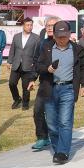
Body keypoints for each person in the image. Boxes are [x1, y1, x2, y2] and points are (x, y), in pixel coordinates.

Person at [34, 20, 84, 164]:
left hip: (68, 89)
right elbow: (38, 65)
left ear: (69, 34)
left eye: (65, 36)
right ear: (55, 36)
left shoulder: (77, 49)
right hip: (50, 88)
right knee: (52, 123)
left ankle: (62, 152)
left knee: (65, 121)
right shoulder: (46, 47)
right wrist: (47, 69)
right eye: (59, 37)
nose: (62, 39)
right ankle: (57, 148)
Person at [30, 16, 59, 152]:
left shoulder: (65, 43)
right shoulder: (42, 44)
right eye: (47, 25)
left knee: (56, 113)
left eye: (52, 25)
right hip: (45, 82)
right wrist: (32, 79)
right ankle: (42, 137)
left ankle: (59, 138)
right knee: (38, 110)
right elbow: (36, 62)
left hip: (60, 83)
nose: (48, 27)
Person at [7, 17, 39, 110]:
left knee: (26, 87)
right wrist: (9, 61)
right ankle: (17, 99)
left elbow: (37, 53)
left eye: (31, 25)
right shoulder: (16, 36)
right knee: (11, 83)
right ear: (23, 26)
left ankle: (25, 103)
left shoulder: (36, 38)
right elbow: (12, 49)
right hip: (16, 64)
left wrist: (34, 63)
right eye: (28, 25)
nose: (30, 27)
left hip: (29, 65)